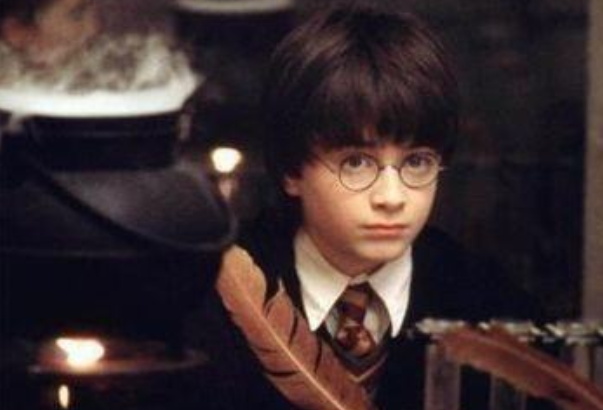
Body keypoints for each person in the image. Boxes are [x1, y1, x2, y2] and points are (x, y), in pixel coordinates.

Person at [189, 4, 542, 409]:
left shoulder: (491, 307)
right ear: (291, 170)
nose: (392, 197)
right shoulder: (209, 305)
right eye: (356, 163)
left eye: (417, 162)